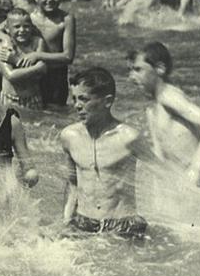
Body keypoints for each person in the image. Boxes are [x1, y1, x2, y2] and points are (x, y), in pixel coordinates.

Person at [58, 66, 152, 237]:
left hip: (122, 225)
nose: (77, 105)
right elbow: (72, 183)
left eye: (84, 99)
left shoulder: (129, 138)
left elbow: (161, 173)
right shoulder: (69, 136)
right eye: (74, 99)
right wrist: (66, 222)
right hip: (84, 222)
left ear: (107, 101)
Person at [129, 42, 200, 185]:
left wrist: (195, 170)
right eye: (130, 70)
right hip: (180, 182)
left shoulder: (168, 96)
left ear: (160, 69)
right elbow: (160, 158)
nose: (131, 77)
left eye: (138, 69)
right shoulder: (151, 110)